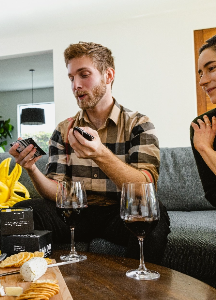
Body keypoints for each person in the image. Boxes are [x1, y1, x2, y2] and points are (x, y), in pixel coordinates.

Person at [10, 41, 170, 264]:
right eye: (71, 78)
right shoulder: (63, 130)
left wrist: (100, 154)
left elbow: (145, 188)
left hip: (120, 214)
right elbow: (56, 191)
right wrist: (31, 169)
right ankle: (32, 279)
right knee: (23, 210)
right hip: (76, 212)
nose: (76, 85)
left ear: (108, 75)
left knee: (155, 211)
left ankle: (136, 290)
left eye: (84, 75)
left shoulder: (139, 125)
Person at [191, 34, 216, 206]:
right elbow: (213, 195)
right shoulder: (202, 125)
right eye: (201, 73)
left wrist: (206, 149)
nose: (202, 81)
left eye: (212, 68)